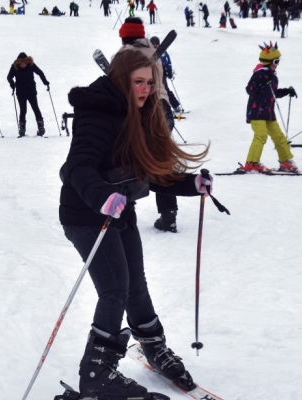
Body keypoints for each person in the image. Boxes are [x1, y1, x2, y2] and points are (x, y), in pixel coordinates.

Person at [58, 49, 210, 398]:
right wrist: (100, 198)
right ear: (121, 79)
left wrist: (191, 184)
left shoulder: (141, 114)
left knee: (135, 284)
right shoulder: (98, 112)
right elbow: (78, 167)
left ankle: (153, 345)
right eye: (138, 81)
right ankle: (97, 373)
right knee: (114, 290)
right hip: (85, 214)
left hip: (119, 212)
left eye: (150, 82)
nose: (145, 89)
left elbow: (150, 170)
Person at [117, 19, 181, 232]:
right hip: (163, 108)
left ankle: (123, 209)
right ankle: (168, 212)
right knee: (161, 160)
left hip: (143, 111)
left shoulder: (124, 55)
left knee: (127, 158)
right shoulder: (154, 51)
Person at [240, 42, 298, 173]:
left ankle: (286, 161)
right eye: (276, 61)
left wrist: (286, 91)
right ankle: (251, 163)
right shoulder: (259, 74)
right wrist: (261, 83)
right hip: (256, 112)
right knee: (261, 135)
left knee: (279, 137)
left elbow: (273, 93)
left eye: (278, 61)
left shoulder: (272, 76)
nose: (277, 64)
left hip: (269, 113)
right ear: (268, 62)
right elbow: (249, 89)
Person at [7, 52, 50, 137]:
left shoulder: (31, 65)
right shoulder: (15, 66)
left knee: (35, 108)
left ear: (27, 62)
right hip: (20, 92)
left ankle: (41, 126)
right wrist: (13, 85)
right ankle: (22, 128)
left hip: (31, 91)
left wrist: (45, 82)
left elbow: (40, 73)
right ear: (18, 62)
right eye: (21, 63)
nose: (23, 65)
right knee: (23, 110)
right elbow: (9, 77)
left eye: (24, 63)